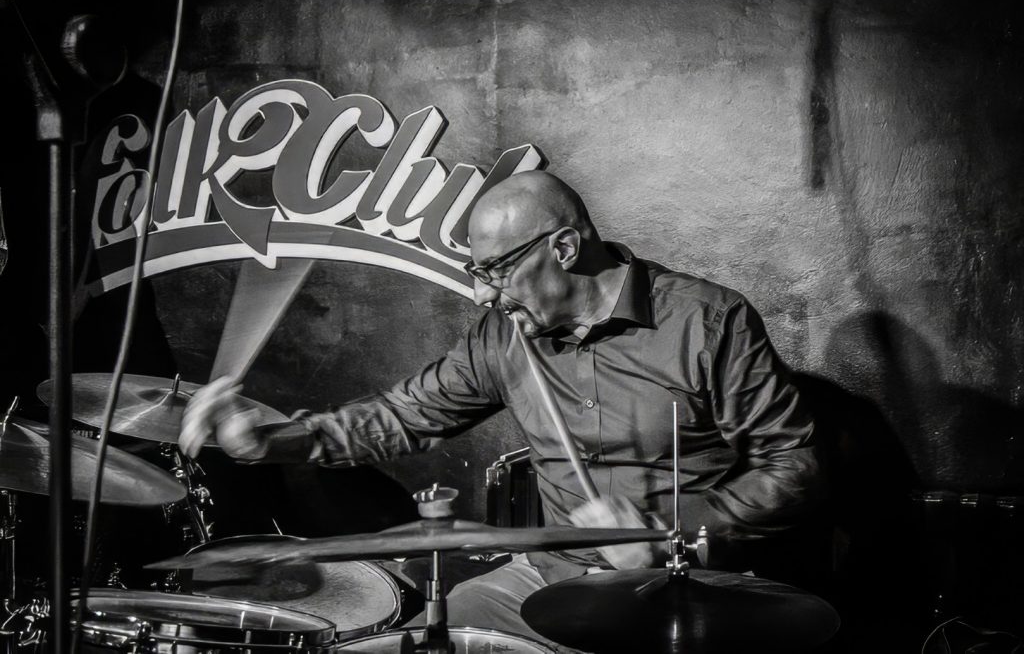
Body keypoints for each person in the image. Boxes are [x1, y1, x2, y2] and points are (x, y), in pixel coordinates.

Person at [179, 170, 824, 647]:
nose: (482, 295)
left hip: (688, 583)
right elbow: (402, 415)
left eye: (494, 270)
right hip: (549, 577)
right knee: (427, 641)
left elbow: (793, 464)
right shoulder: (504, 337)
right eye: (476, 272)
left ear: (563, 249)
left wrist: (671, 533)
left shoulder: (707, 321)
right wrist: (271, 440)